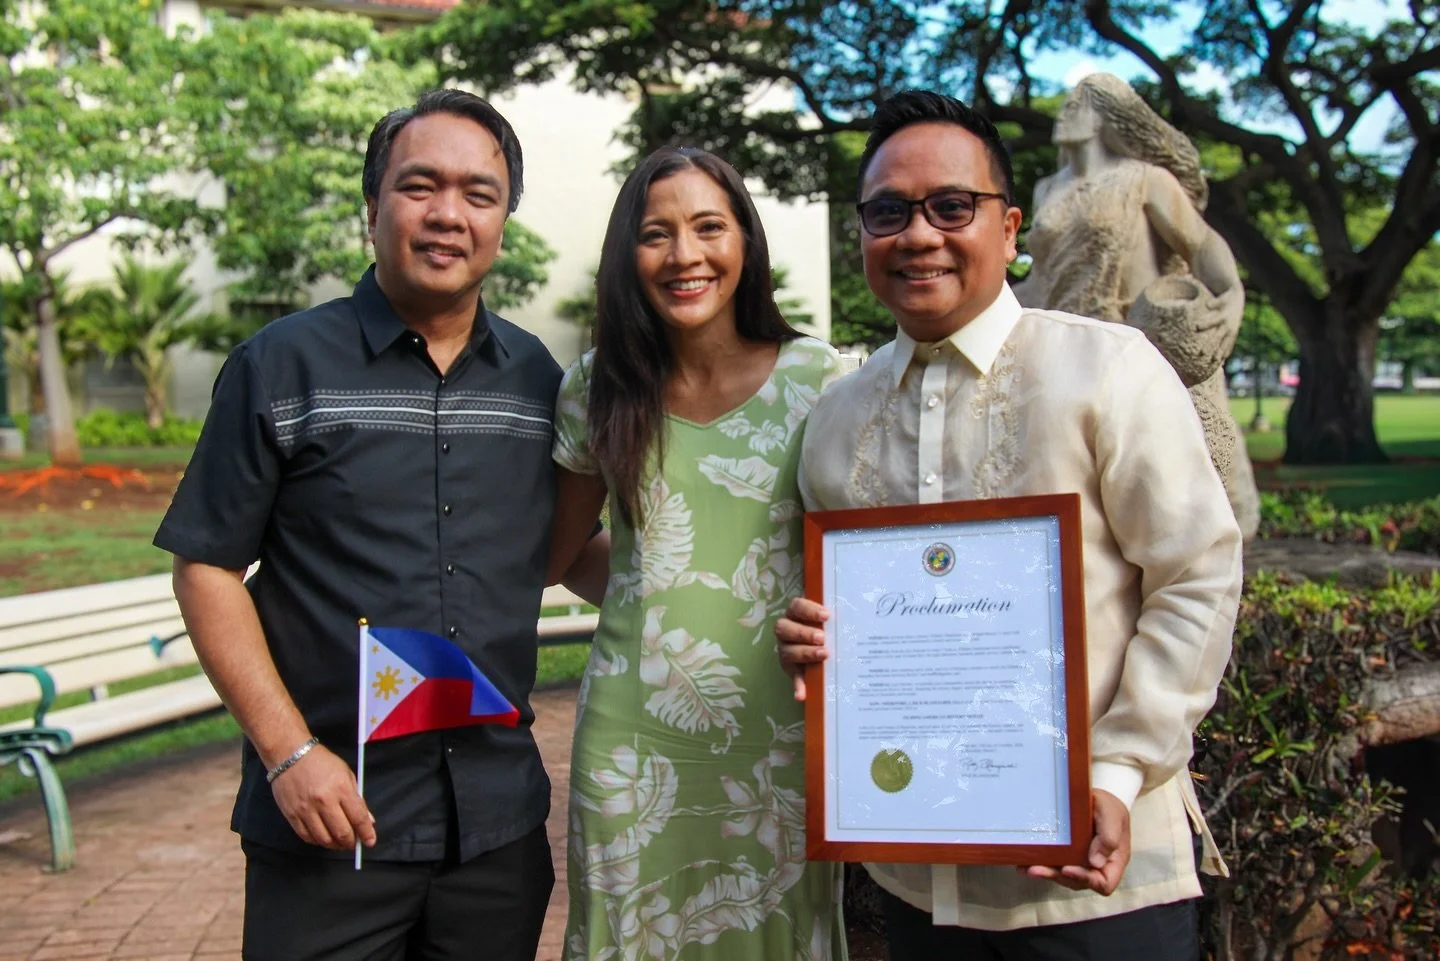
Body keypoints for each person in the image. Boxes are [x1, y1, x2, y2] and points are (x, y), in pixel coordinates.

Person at [775, 90, 1243, 960]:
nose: (920, 233)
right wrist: (814, 640)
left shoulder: (1108, 371)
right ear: (862, 234)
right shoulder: (837, 419)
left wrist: (1112, 771)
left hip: (1096, 884)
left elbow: (1197, 576)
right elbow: (845, 616)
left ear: (1010, 226)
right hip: (917, 884)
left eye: (953, 206)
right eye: (888, 211)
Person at [154, 89, 607, 961]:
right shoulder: (281, 364)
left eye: (479, 193)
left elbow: (563, 554)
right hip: (330, 816)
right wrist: (290, 754)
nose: (448, 215)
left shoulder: (538, 382)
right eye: (419, 186)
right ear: (372, 209)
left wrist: (721, 589)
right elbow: (206, 567)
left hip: (495, 827)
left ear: (503, 220)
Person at [545, 146, 848, 961]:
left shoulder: (826, 381)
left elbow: (863, 557)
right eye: (656, 234)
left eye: (708, 227)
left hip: (782, 727)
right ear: (626, 256)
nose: (686, 255)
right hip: (634, 735)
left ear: (744, 241)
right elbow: (559, 552)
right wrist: (656, 584)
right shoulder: (596, 386)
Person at [1012, 71, 1259, 537]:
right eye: (1067, 101)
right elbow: (1041, 280)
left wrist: (1232, 293)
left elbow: (1201, 243)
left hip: (1134, 347)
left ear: (1109, 116)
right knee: (1075, 494)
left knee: (1167, 496)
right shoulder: (1047, 190)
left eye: (1081, 103)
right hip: (1063, 354)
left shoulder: (1146, 180)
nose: (1067, 110)